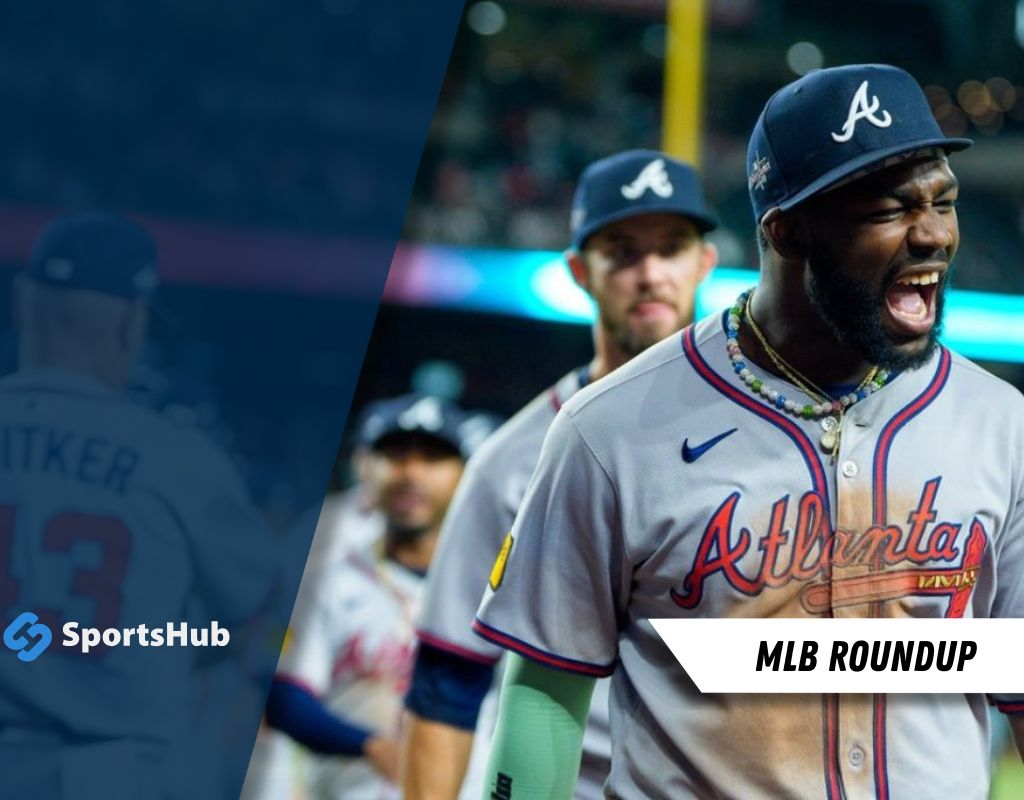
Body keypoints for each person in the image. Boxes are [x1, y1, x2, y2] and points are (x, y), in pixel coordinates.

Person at [473, 64, 1024, 799]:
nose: (931, 234)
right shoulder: (608, 432)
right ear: (786, 230)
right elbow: (544, 697)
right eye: (888, 208)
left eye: (943, 202)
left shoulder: (1002, 426)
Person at [402, 149, 719, 799]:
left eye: (671, 247)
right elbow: (446, 682)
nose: (650, 272)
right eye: (622, 251)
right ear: (581, 270)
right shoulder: (514, 460)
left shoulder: (771, 434)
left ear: (704, 262)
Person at [0, 212, 276, 798]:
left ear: (23, 302)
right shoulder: (178, 459)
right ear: (133, 323)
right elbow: (249, 615)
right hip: (97, 773)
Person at [266, 394, 492, 799]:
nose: (411, 474)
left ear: (464, 473)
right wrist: (370, 745)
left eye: (432, 458)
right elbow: (282, 694)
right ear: (366, 467)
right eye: (396, 455)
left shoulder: (495, 588)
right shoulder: (332, 578)